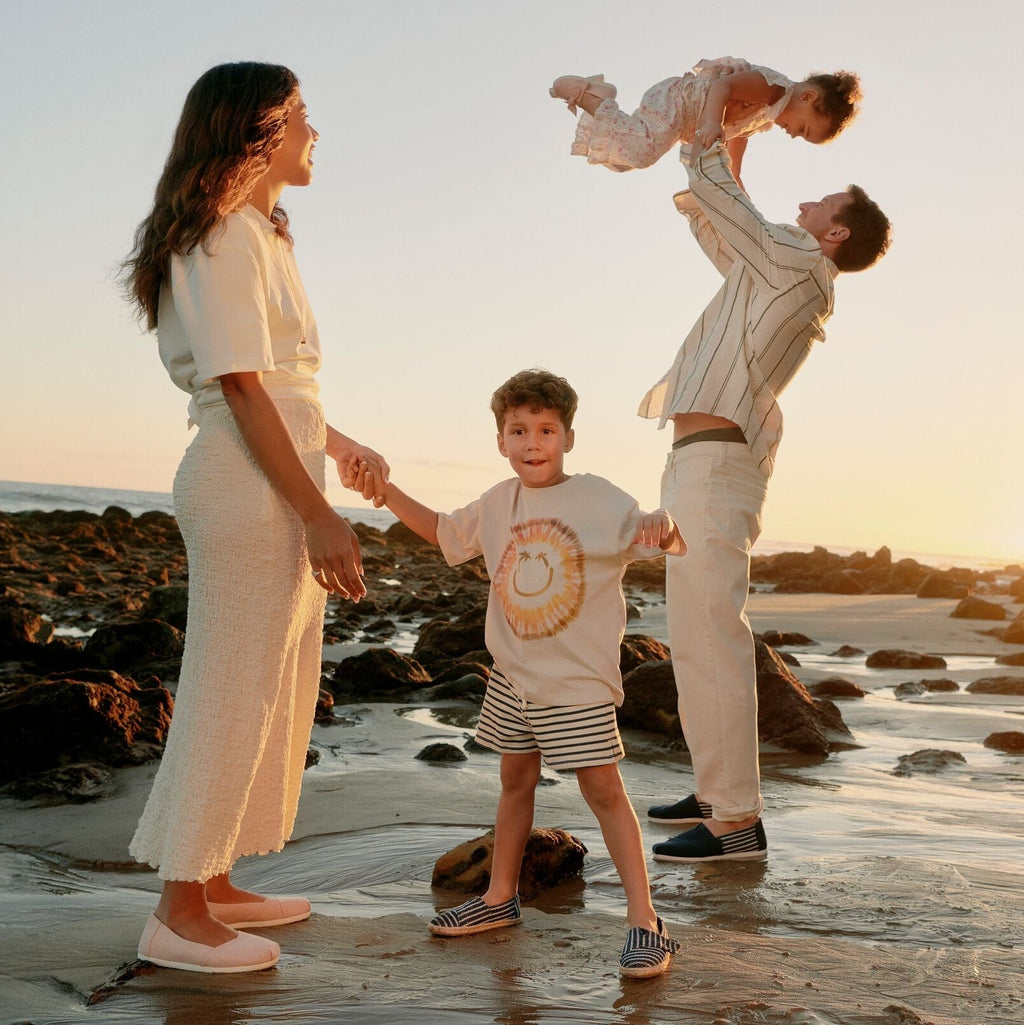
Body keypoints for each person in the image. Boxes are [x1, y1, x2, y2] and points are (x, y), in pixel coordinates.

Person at [120, 62, 388, 973]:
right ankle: (176, 911)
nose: (318, 133)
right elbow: (236, 386)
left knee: (271, 688)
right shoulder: (222, 234)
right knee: (230, 689)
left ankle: (217, 879)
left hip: (274, 464)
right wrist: (318, 511)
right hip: (246, 483)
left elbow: (278, 382)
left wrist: (338, 446)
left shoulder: (264, 236)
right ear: (258, 128)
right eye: (304, 117)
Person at [352, 369, 686, 978]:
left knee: (603, 791)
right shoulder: (497, 503)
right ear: (501, 441)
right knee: (514, 780)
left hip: (575, 679)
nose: (534, 442)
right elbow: (442, 531)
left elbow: (651, 529)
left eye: (547, 430)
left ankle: (646, 921)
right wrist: (387, 493)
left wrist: (662, 519)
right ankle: (498, 899)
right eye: (519, 430)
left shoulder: (595, 497)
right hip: (513, 674)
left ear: (569, 438)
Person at [637, 139, 891, 862]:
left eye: (821, 204)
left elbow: (728, 206)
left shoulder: (801, 261)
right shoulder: (776, 269)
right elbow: (718, 224)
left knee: (711, 639)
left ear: (834, 233)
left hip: (715, 470)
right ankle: (717, 794)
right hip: (699, 464)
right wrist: (722, 157)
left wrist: (718, 134)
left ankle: (737, 821)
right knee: (693, 640)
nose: (805, 204)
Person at [550, 57, 860, 186]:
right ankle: (589, 94)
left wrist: (735, 174)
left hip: (683, 120)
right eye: (803, 130)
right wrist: (712, 122)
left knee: (626, 158)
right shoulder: (773, 87)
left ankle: (600, 97)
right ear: (806, 98)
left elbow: (741, 133)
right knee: (641, 152)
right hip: (679, 100)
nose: (794, 135)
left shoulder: (769, 110)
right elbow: (722, 87)